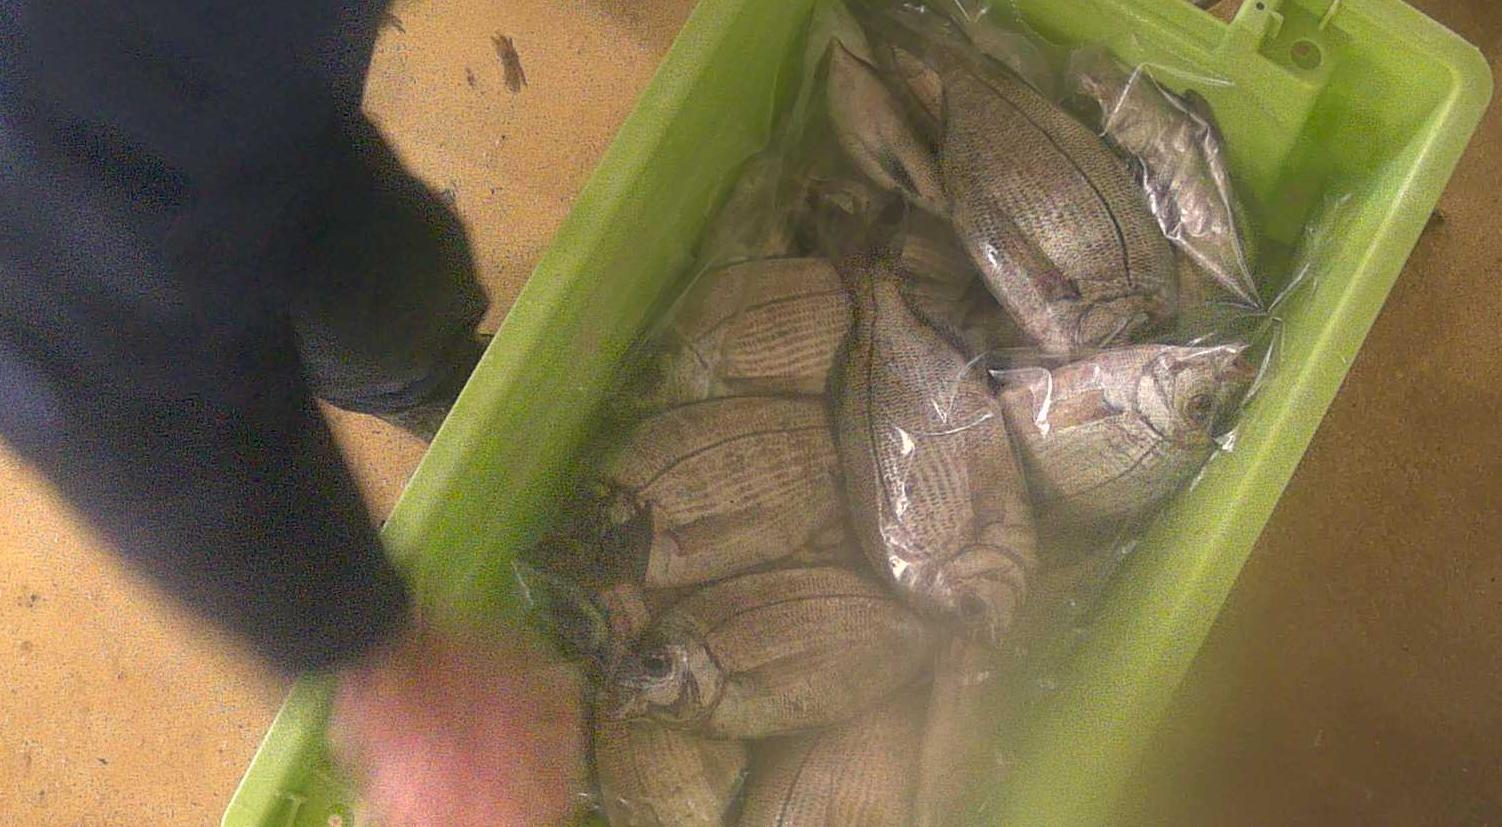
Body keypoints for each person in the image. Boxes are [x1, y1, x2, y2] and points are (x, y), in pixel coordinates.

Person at [0, 1, 584, 824]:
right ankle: (420, 377)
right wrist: (390, 667)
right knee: (340, 288)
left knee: (385, 271)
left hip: (240, 92)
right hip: (87, 175)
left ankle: (424, 359)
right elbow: (99, 358)